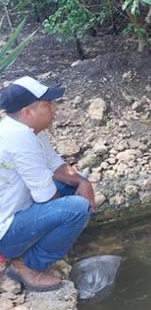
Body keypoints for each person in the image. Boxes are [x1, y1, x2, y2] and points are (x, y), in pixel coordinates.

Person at [0, 77, 94, 292]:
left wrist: (82, 182)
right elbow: (46, 197)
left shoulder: (25, 130)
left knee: (76, 189)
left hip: (18, 212)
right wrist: (72, 212)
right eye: (47, 104)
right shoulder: (19, 138)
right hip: (5, 233)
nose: (55, 109)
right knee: (77, 209)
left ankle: (39, 245)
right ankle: (28, 266)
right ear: (27, 112)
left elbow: (57, 167)